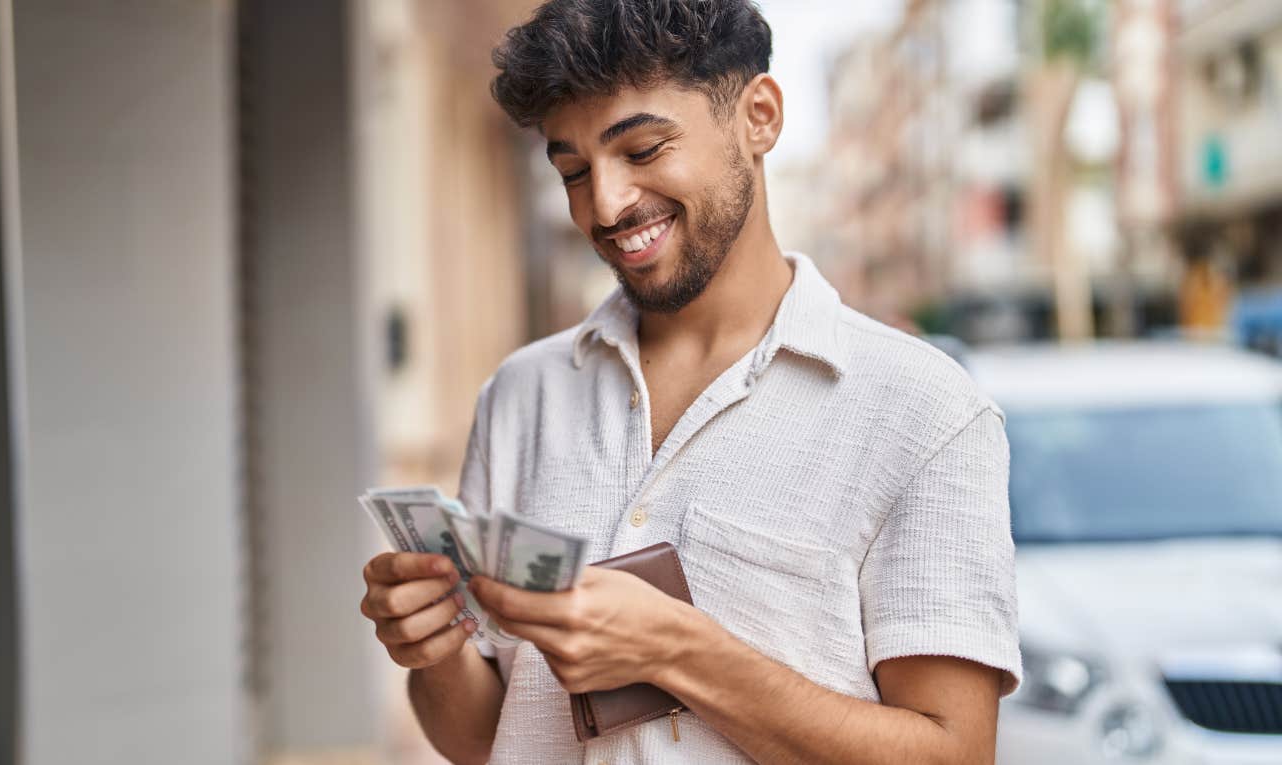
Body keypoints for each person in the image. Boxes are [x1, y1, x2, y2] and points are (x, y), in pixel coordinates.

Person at [359, 1, 1021, 763]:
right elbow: (485, 741)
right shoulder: (521, 397)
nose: (605, 204)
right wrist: (433, 641)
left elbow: (954, 753)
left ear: (759, 117)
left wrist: (681, 651)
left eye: (642, 149)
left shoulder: (925, 411)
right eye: (574, 170)